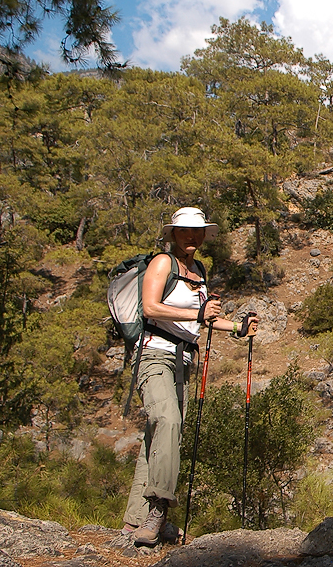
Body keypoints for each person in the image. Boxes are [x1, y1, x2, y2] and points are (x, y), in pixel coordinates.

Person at [122, 206, 258, 546]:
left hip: (182, 360)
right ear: (173, 234)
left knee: (161, 435)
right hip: (153, 354)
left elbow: (205, 318)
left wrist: (238, 327)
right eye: (185, 230)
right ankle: (159, 510)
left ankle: (135, 520)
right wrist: (197, 313)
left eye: (197, 231)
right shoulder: (162, 263)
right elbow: (150, 307)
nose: (192, 236)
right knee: (168, 421)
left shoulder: (199, 270)